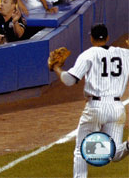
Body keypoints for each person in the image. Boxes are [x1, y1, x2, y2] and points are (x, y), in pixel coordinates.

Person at [50, 23, 129, 178]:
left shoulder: (88, 54)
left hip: (95, 107)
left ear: (91, 38)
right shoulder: (125, 54)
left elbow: (69, 80)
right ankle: (127, 146)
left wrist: (56, 69)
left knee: (81, 149)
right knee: (112, 152)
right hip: (116, 108)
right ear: (107, 37)